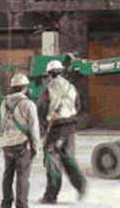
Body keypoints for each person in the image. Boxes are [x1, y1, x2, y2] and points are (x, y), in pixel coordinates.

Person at [37, 59, 87, 204]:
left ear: (49, 74)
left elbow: (41, 109)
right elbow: (78, 106)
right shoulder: (71, 87)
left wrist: (43, 125)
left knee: (52, 162)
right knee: (69, 158)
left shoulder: (48, 88)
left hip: (56, 128)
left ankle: (51, 196)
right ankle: (81, 186)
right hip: (70, 127)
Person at [0, 73, 41, 208]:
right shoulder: (28, 104)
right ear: (25, 88)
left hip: (7, 144)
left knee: (7, 175)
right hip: (22, 146)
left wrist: (6, 139)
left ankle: (6, 204)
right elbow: (34, 127)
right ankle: (21, 205)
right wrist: (36, 147)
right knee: (22, 177)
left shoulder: (4, 102)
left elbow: (2, 125)